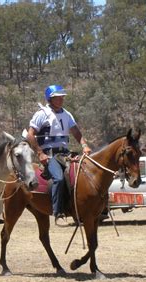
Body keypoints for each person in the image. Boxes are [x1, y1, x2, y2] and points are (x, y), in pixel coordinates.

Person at [26, 84, 92, 223]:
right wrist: (40, 153)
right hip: (50, 155)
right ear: (50, 99)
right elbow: (30, 135)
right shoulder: (42, 114)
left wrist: (84, 145)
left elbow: (76, 132)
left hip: (65, 153)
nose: (61, 99)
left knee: (83, 174)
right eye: (57, 97)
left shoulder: (66, 114)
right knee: (59, 178)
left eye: (62, 97)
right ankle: (58, 211)